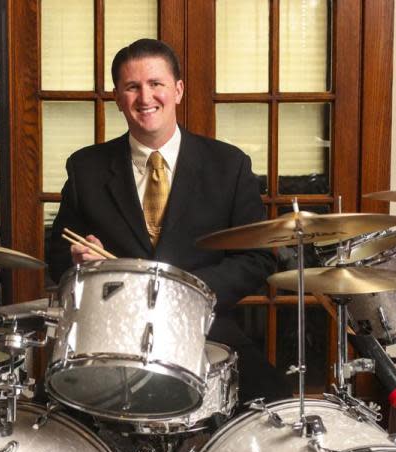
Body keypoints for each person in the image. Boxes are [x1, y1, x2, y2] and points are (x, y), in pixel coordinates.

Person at [48, 38, 289, 405]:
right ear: (118, 98)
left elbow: (258, 258)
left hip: (206, 330)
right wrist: (78, 261)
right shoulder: (86, 168)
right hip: (113, 336)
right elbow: (57, 256)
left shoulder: (229, 165)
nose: (145, 98)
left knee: (277, 408)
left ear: (177, 90)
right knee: (58, 423)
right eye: (132, 87)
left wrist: (181, 294)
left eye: (156, 84)